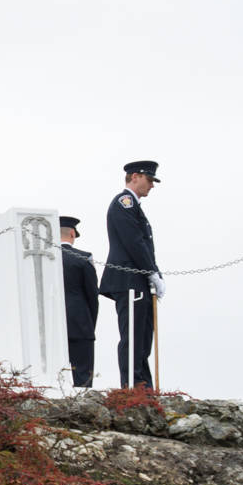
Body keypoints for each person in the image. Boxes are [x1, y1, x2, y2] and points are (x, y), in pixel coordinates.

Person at [98, 161, 165, 388]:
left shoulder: (135, 207)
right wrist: (151, 271)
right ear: (135, 176)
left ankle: (144, 385)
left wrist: (154, 275)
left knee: (144, 336)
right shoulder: (123, 203)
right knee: (134, 335)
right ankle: (132, 384)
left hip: (139, 279)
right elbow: (134, 242)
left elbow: (143, 245)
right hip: (128, 279)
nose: (152, 186)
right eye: (149, 180)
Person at [59, 215, 99, 387]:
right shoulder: (84, 258)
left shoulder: (43, 258)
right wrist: (90, 324)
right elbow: (92, 296)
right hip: (79, 322)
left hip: (50, 325)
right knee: (82, 376)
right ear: (72, 234)